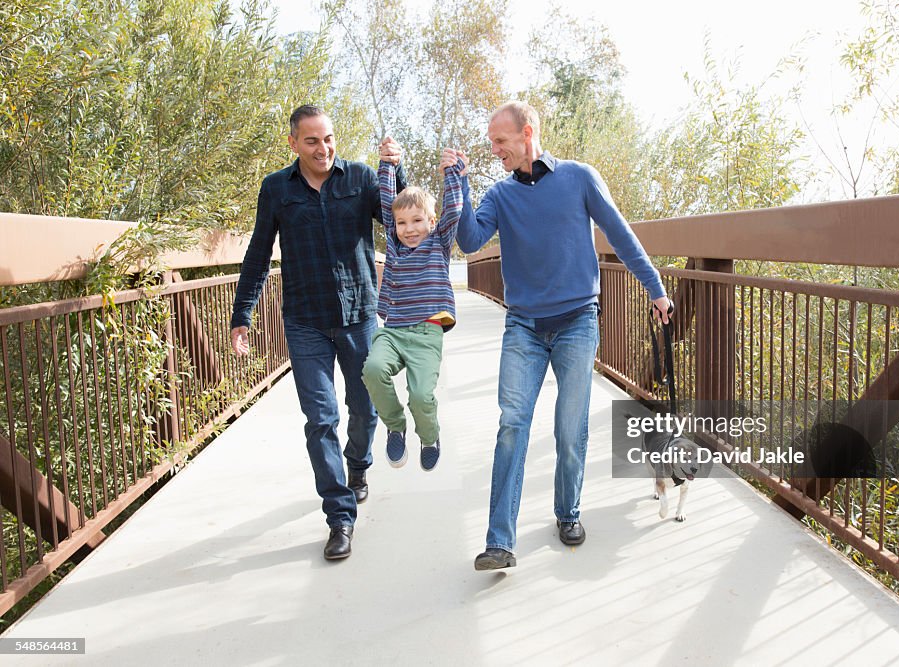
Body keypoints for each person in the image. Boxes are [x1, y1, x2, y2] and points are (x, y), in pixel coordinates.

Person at [457, 101, 672, 570]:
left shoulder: (579, 177)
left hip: (578, 321)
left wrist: (655, 289)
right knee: (513, 425)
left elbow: (619, 234)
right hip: (524, 326)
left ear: (527, 133)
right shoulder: (500, 194)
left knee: (570, 429)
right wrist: (461, 187)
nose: (495, 150)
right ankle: (500, 542)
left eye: (501, 141)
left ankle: (567, 512)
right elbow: (470, 242)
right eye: (492, 143)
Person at [230, 105, 405, 561]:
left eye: (328, 139)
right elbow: (257, 254)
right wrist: (241, 315)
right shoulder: (276, 189)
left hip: (360, 315)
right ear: (293, 143)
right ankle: (339, 517)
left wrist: (394, 171)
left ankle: (359, 465)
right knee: (321, 418)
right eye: (312, 141)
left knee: (365, 408)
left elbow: (403, 224)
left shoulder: (362, 178)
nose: (323, 148)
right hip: (305, 319)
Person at [361, 148, 470, 471]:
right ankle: (395, 426)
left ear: (432, 222)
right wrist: (387, 166)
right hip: (393, 330)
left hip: (426, 333)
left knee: (421, 396)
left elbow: (454, 209)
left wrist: (451, 173)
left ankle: (429, 436)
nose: (409, 229)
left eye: (418, 221)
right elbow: (385, 202)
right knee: (373, 369)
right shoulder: (394, 246)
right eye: (402, 223)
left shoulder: (439, 242)